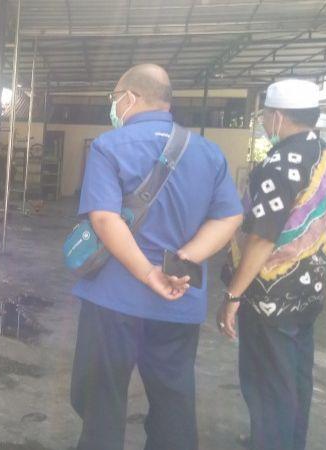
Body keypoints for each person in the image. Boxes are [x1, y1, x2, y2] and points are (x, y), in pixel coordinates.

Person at [70, 63, 244, 450]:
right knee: (173, 401)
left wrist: (148, 273)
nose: (113, 107)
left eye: (114, 98)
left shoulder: (109, 146)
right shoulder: (208, 153)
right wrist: (181, 258)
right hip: (179, 298)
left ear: (129, 97)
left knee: (101, 398)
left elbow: (103, 217)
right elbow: (230, 215)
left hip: (113, 300)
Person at [218, 79, 326, 450]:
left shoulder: (281, 163)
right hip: (309, 293)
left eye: (264, 114)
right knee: (294, 378)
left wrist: (233, 294)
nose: (262, 120)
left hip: (270, 299)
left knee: (266, 382)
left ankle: (271, 441)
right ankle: (288, 441)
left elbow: (262, 238)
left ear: (276, 116)